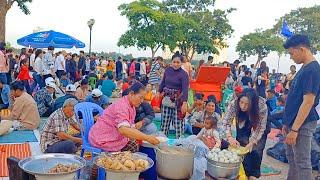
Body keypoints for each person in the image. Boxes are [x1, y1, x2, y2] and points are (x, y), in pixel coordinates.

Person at [282, 35, 320, 180]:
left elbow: (308, 102)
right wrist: (287, 124)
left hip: (302, 124)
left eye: (292, 53)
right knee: (292, 159)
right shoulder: (304, 68)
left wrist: (295, 129)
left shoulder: (313, 70)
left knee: (302, 162)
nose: (291, 57)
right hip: (293, 122)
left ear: (302, 49)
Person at [89, 82, 160, 152]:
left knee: (136, 141)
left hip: (111, 134)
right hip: (101, 139)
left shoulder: (131, 105)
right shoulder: (122, 106)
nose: (141, 101)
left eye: (143, 99)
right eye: (140, 98)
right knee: (133, 145)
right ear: (131, 94)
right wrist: (147, 138)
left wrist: (137, 127)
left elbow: (128, 125)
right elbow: (123, 130)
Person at [222, 88, 268, 179]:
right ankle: (244, 172)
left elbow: (260, 127)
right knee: (241, 145)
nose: (243, 106)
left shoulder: (262, 106)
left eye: (247, 104)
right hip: (243, 120)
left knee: (256, 149)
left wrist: (252, 142)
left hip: (257, 122)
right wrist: (230, 137)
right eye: (241, 102)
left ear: (253, 104)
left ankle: (253, 175)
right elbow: (226, 122)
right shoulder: (234, 104)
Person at [159, 52, 189, 138]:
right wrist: (158, 91)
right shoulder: (167, 70)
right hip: (166, 100)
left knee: (178, 124)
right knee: (164, 123)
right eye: (174, 62)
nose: (176, 64)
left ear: (181, 63)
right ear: (171, 62)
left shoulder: (184, 74)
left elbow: (185, 89)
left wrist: (184, 103)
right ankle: (162, 142)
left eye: (178, 62)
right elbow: (163, 82)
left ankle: (180, 144)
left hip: (178, 102)